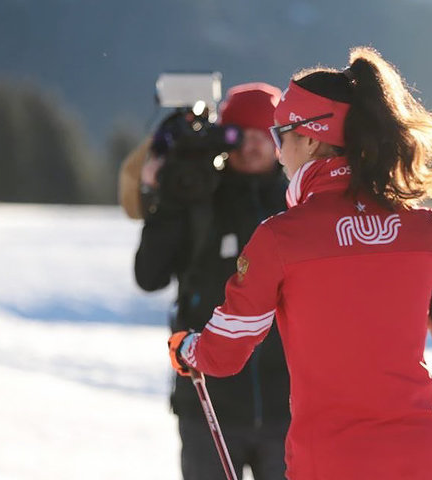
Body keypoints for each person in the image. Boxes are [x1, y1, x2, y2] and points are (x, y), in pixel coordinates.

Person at [167, 47, 432, 479]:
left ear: (309, 137)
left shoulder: (280, 237)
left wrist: (188, 349)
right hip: (418, 457)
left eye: (279, 135)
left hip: (329, 461)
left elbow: (226, 351)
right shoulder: (422, 228)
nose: (277, 150)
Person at [131, 83, 291, 479]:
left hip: (290, 404)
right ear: (224, 138)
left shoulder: (299, 206)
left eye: (264, 134)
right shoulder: (197, 199)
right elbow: (149, 276)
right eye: (241, 135)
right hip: (208, 403)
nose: (252, 146)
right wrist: (167, 200)